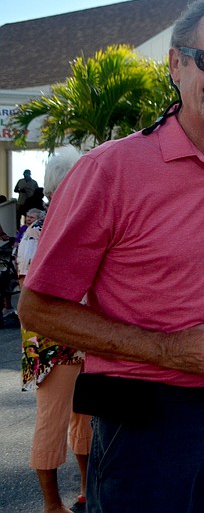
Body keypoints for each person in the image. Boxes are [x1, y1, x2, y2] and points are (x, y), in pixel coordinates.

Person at [17, 0, 204, 512]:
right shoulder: (109, 170)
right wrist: (168, 350)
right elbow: (38, 309)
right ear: (177, 64)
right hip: (147, 428)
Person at [18, 148, 89, 513]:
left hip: (84, 338)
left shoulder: (72, 222)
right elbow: (30, 296)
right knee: (53, 421)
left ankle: (84, 490)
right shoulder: (39, 230)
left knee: (85, 420)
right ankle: (50, 504)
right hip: (52, 343)